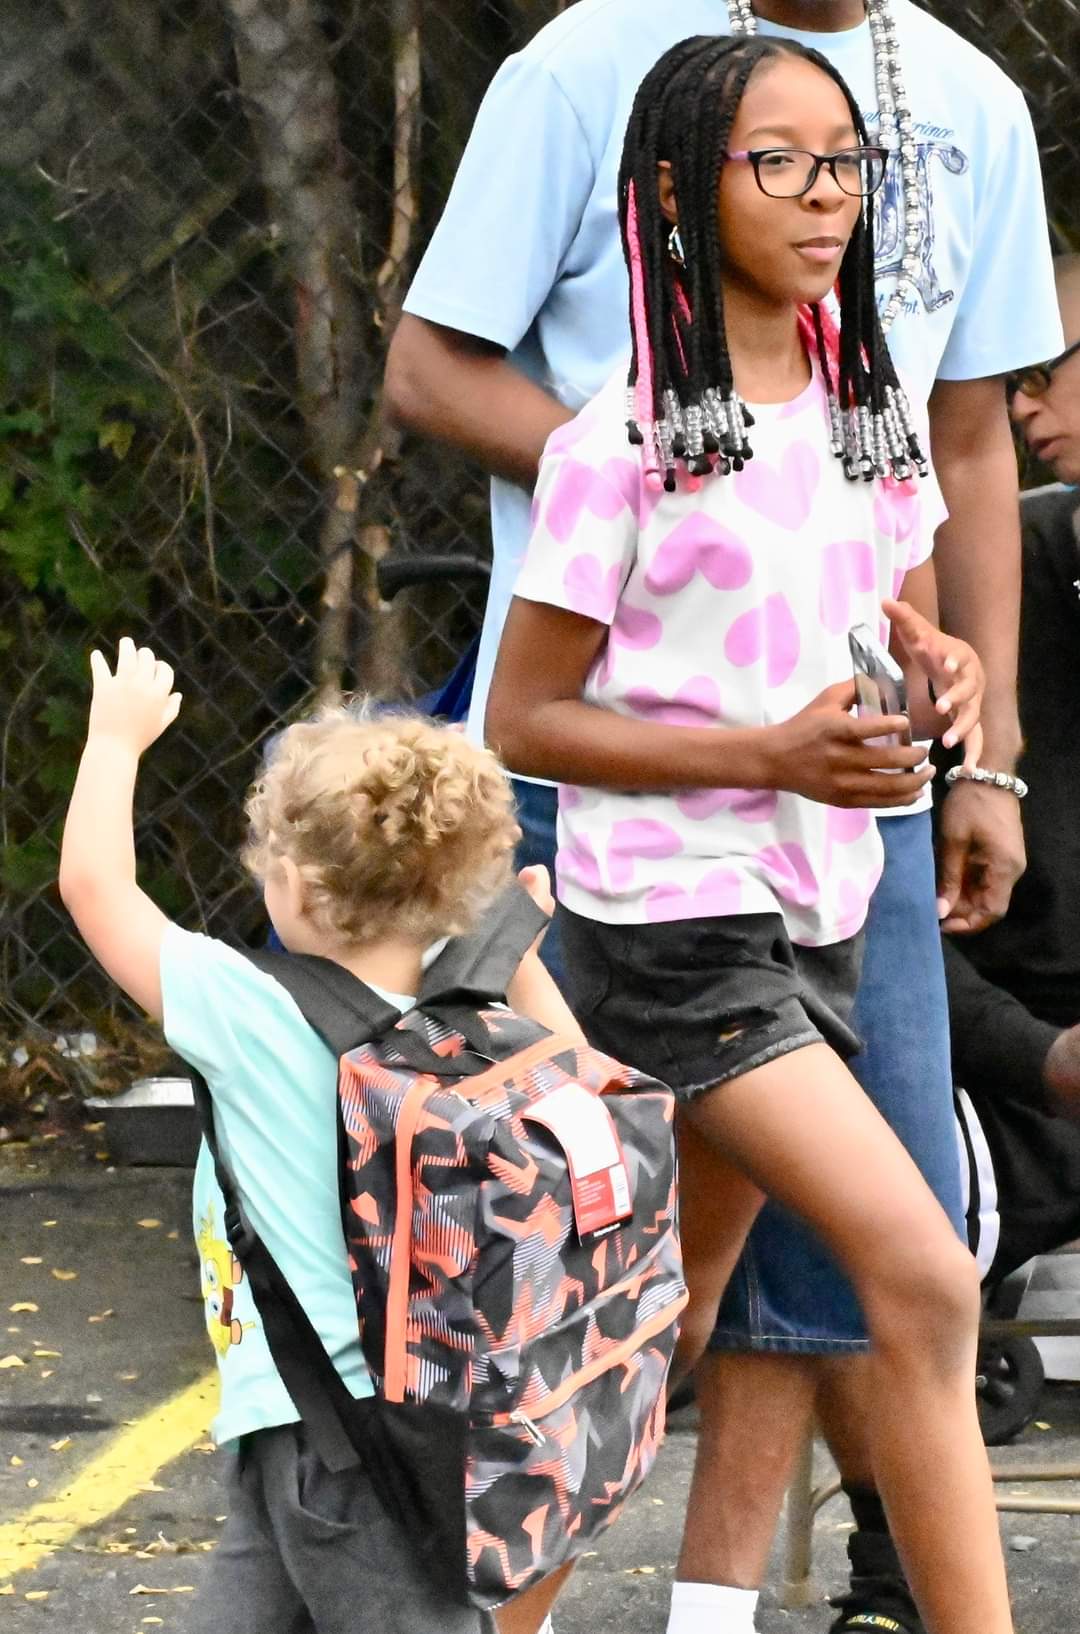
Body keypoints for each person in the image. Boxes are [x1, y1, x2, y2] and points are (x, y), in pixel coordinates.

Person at [385, 11, 1060, 1625]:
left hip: (819, 914)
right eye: (779, 166)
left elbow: (897, 587)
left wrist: (942, 660)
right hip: (673, 943)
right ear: (680, 195)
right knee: (920, 1268)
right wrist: (767, 747)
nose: (823, 199)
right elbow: (525, 716)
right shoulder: (616, 445)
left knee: (647, 1329)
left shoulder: (861, 413)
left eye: (843, 168)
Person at [57, 640, 582, 1634]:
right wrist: (516, 950)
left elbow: (94, 887)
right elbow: (579, 1083)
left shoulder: (250, 1010)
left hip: (340, 1447)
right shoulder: (466, 1017)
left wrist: (116, 739)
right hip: (381, 1425)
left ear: (291, 885)